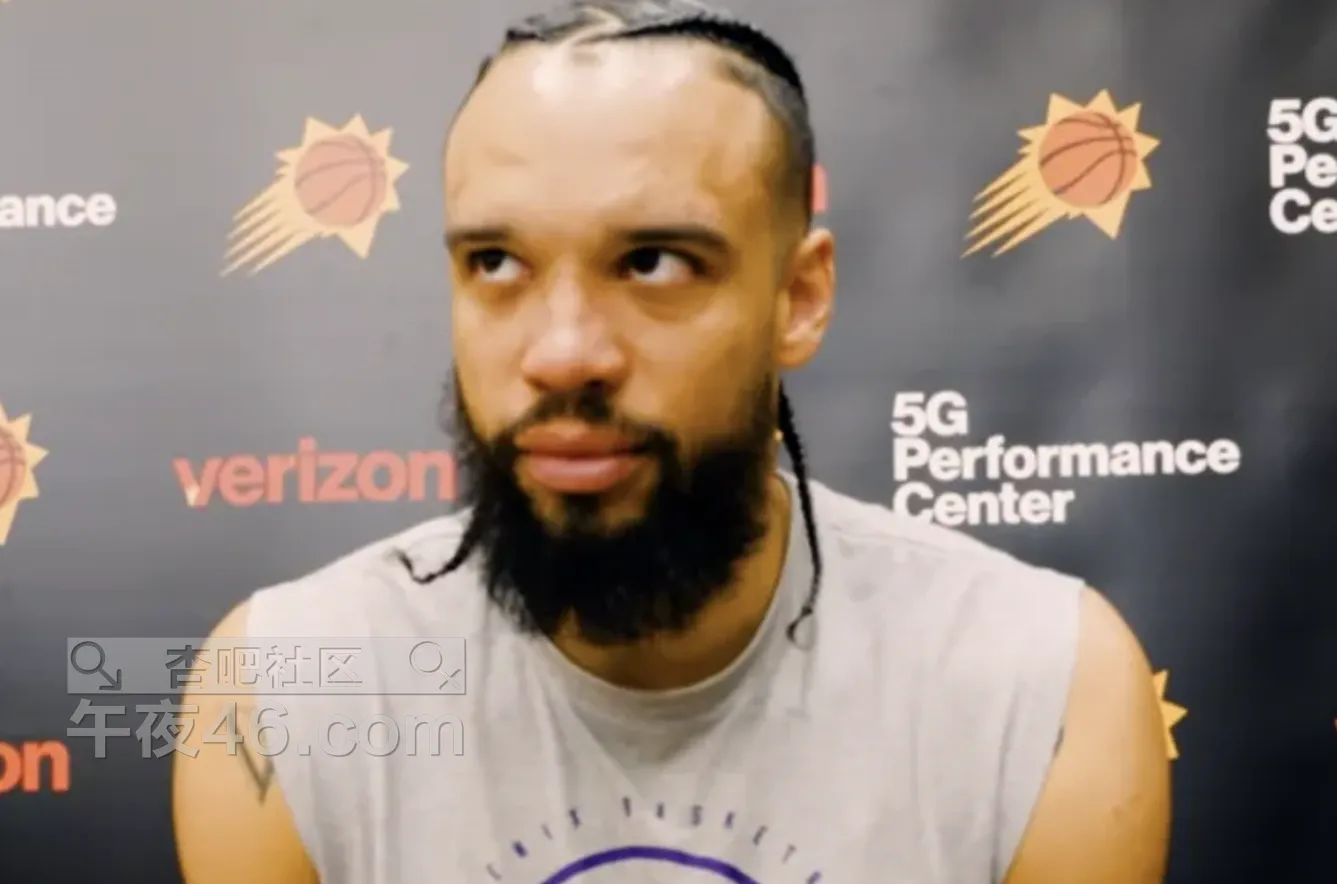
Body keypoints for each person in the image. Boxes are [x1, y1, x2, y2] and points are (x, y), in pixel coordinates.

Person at [172, 1, 1170, 881]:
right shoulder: (275, 691)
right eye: (496, 261)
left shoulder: (1040, 684)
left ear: (798, 298)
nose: (562, 353)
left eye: (652, 262)